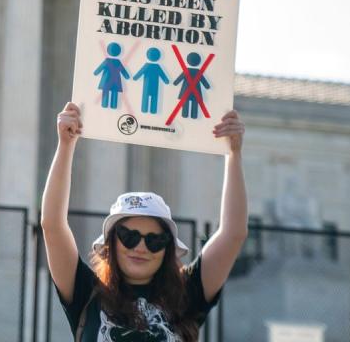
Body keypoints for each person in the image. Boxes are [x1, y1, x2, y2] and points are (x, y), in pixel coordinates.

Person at [41, 102, 247, 341]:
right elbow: (52, 225)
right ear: (112, 242)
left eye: (154, 241)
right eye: (129, 236)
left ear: (167, 248)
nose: (140, 247)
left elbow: (234, 233)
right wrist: (66, 145)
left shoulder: (187, 295)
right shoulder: (86, 292)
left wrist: (233, 154)